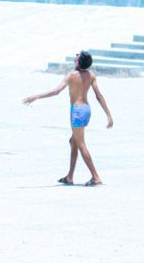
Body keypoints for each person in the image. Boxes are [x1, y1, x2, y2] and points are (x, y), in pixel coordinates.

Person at [23, 50, 114, 186]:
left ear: (79, 61)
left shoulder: (71, 76)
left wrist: (36, 96)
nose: (75, 57)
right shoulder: (91, 75)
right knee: (73, 142)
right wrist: (109, 115)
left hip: (77, 111)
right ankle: (70, 176)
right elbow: (99, 96)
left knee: (81, 144)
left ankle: (96, 177)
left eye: (77, 56)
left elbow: (56, 91)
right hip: (86, 110)